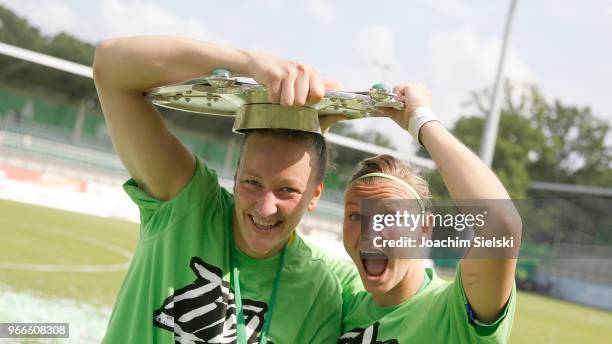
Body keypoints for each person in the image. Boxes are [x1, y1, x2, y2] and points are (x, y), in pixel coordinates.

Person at [93, 35, 350, 343]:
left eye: (287, 191)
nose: (265, 208)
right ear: (236, 174)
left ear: (315, 195)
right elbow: (110, 66)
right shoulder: (187, 206)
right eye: (252, 183)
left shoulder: (317, 291)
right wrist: (248, 62)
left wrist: (417, 117)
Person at [327, 83, 521, 343]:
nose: (369, 234)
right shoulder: (341, 298)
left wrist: (420, 119)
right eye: (356, 217)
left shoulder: (451, 313)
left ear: (424, 227)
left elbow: (501, 225)